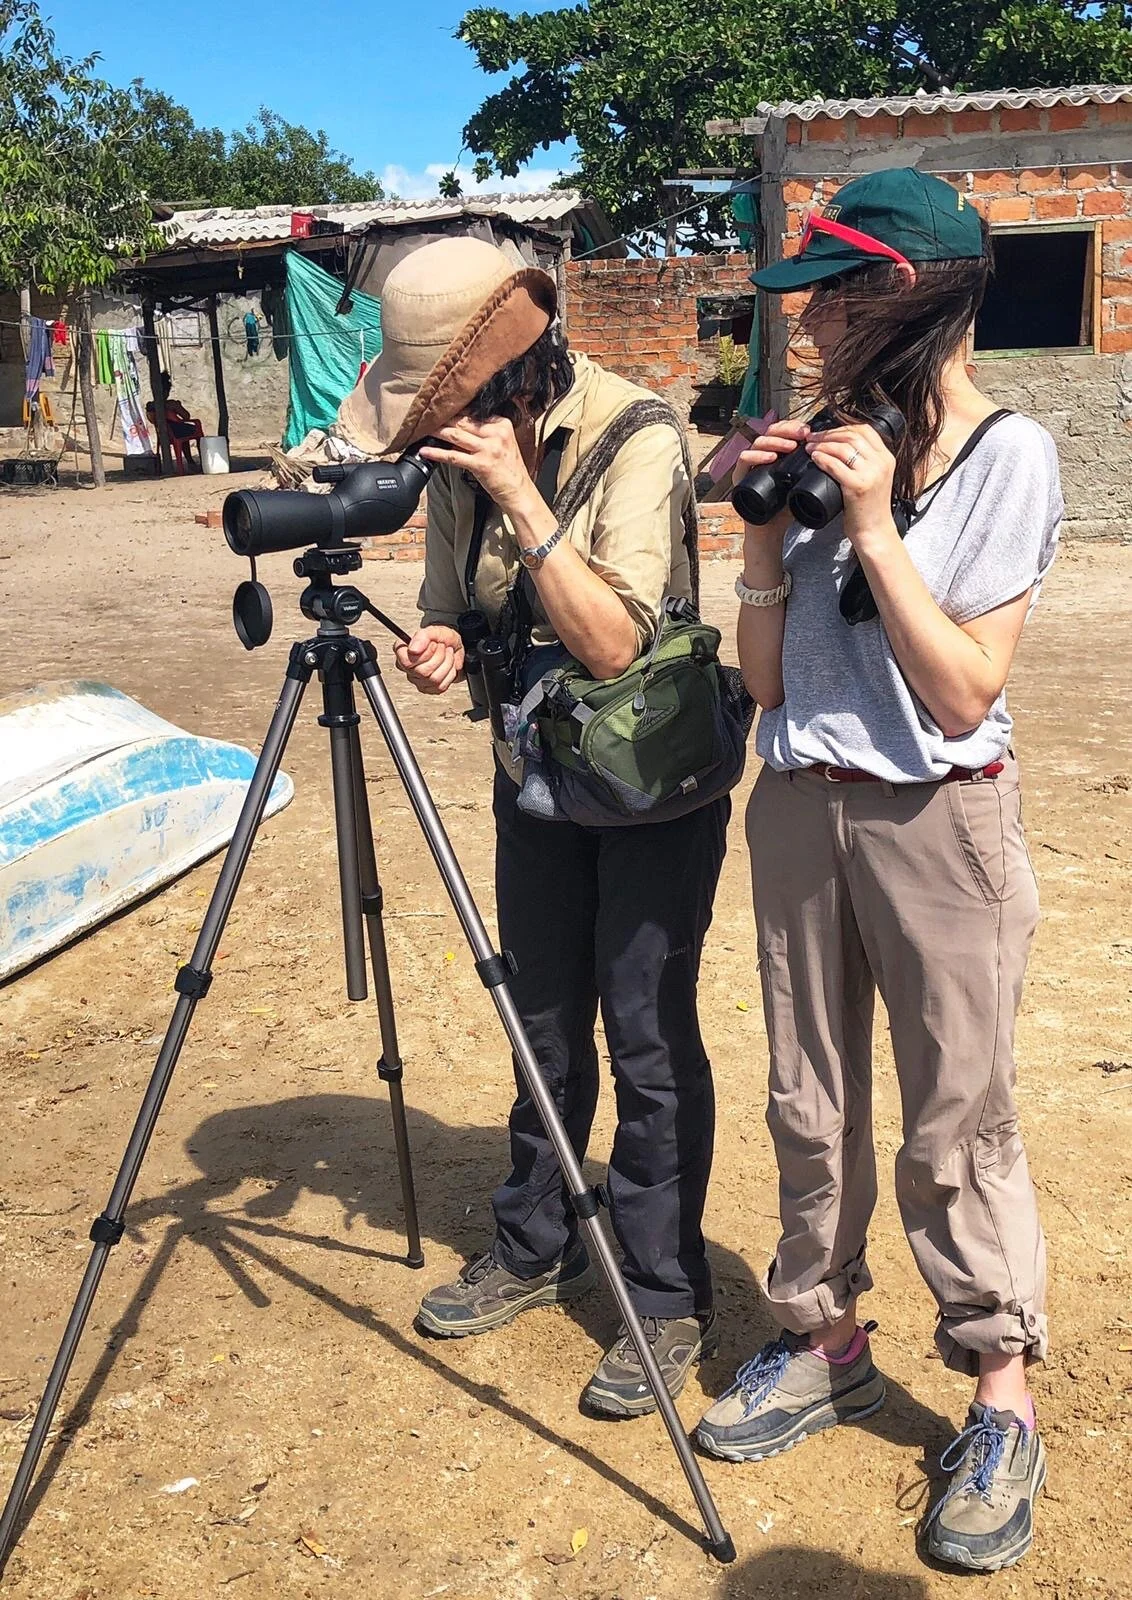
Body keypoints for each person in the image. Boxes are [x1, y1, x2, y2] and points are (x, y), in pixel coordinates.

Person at [693, 170, 1061, 1574]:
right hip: (798, 802)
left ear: (892, 296)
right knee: (810, 1094)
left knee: (955, 1114)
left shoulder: (1007, 453)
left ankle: (997, 1389)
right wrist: (767, 532)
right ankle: (824, 1337)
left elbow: (965, 695)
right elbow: (767, 678)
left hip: (936, 817)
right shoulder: (830, 438)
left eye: (830, 301)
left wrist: (870, 523)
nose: (810, 333)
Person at [334, 237, 729, 1416]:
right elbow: (452, 604)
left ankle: (663, 1296)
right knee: (539, 1015)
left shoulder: (636, 434)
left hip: (653, 783)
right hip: (538, 776)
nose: (445, 430)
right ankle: (533, 1235)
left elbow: (613, 642)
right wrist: (443, 644)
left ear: (519, 370)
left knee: (646, 1037)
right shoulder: (460, 463)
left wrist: (518, 490)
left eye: (456, 403)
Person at [145, 372, 204, 467]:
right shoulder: (172, 404)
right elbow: (186, 416)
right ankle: (194, 461)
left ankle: (190, 461)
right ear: (166, 391)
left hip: (163, 434)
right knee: (189, 430)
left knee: (182, 430)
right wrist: (177, 406)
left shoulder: (150, 406)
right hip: (176, 432)